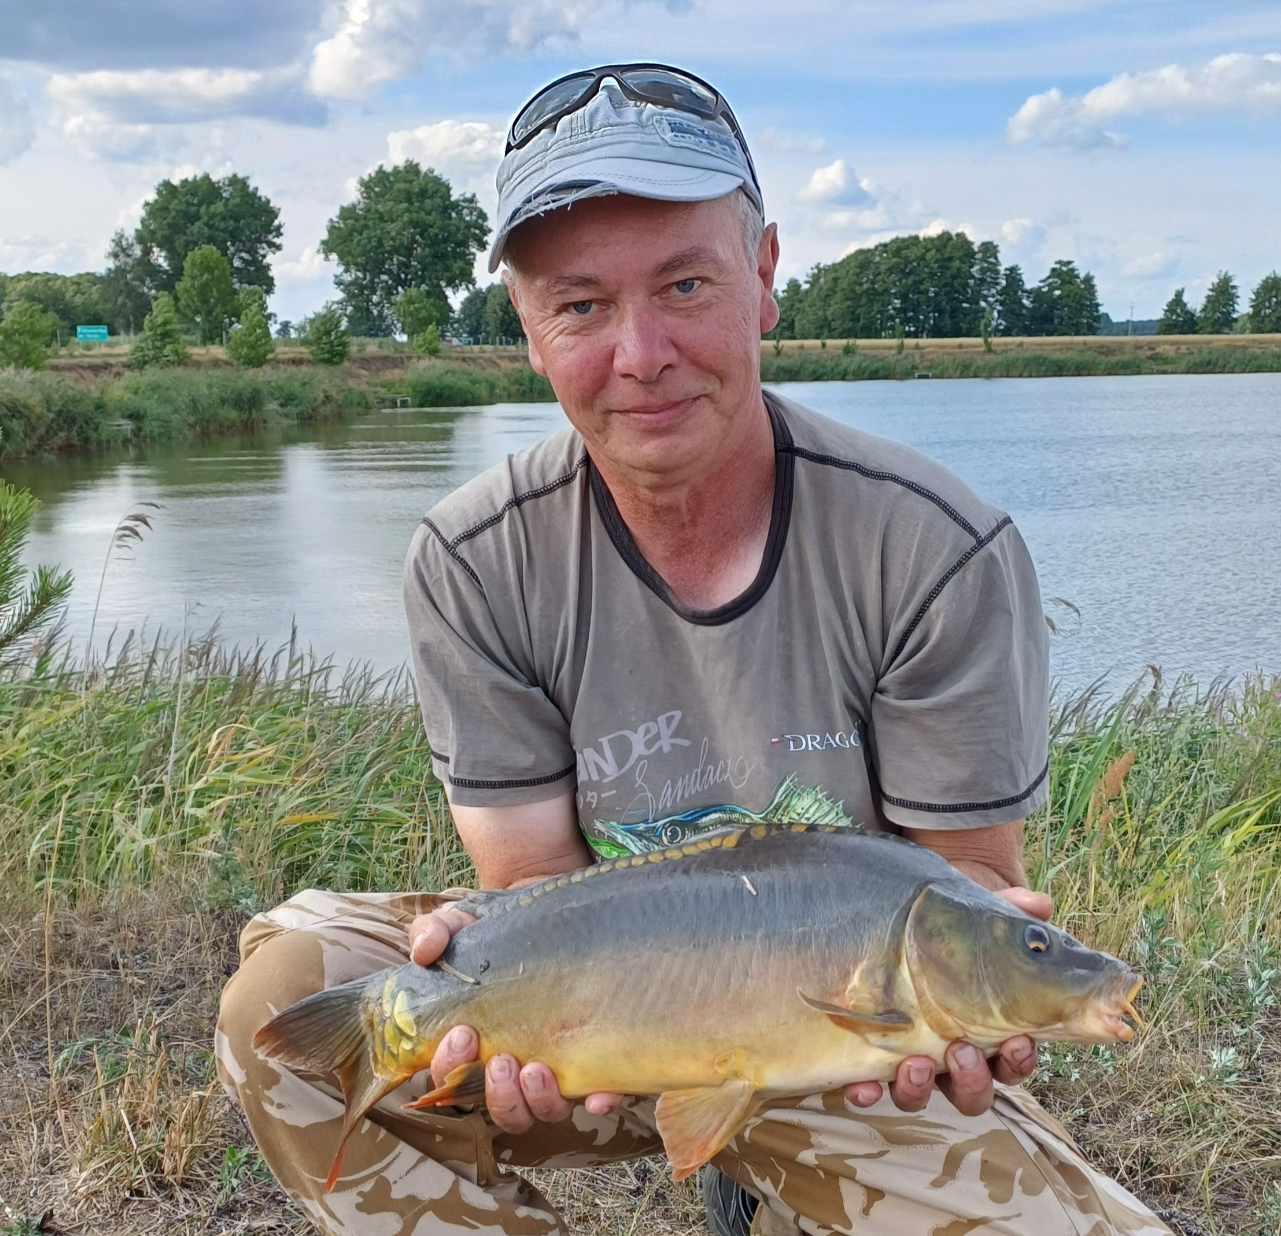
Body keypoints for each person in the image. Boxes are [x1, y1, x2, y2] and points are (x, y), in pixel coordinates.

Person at [217, 63, 1170, 1236]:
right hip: (586, 1016)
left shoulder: (935, 546)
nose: (641, 352)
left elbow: (960, 872)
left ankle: (766, 1179)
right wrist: (516, 1019)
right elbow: (532, 889)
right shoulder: (471, 558)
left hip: (847, 1047)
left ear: (763, 278)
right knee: (296, 990)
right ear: (525, 327)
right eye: (579, 306)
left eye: (684, 283)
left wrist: (980, 991)